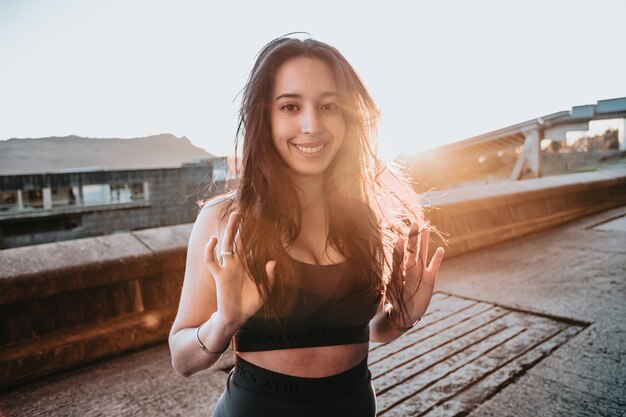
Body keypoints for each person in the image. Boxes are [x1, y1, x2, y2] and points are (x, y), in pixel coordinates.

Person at [168, 35, 445, 417]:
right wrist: (223, 322)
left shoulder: (369, 214)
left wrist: (401, 316)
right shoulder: (226, 219)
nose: (312, 125)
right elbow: (182, 359)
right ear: (264, 118)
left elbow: (371, 330)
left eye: (329, 105)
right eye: (291, 106)